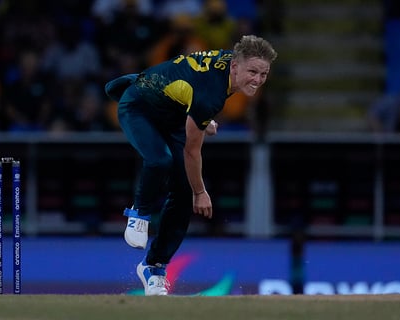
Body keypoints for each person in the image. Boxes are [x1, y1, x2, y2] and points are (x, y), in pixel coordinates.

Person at [104, 35, 277, 295]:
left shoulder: (230, 65)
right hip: (139, 107)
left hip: (173, 114)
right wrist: (201, 191)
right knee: (161, 160)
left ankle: (154, 267)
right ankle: (138, 215)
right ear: (235, 66)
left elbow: (188, 84)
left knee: (182, 191)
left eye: (264, 74)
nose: (258, 79)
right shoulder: (212, 93)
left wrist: (202, 119)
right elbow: (191, 152)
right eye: (253, 72)